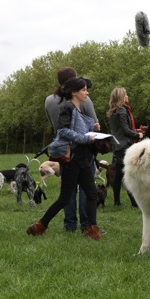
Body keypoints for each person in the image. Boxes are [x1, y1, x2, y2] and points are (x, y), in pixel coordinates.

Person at [27, 77, 102, 240]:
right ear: (74, 92)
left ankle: (91, 228)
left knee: (92, 194)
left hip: (83, 159)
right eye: (83, 90)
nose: (86, 93)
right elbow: (63, 131)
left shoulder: (78, 108)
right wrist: (86, 139)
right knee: (65, 198)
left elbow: (77, 129)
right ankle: (40, 225)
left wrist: (92, 128)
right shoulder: (67, 107)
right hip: (72, 160)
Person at [45, 67, 99, 233]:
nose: (85, 92)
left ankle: (69, 224)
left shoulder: (49, 100)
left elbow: (54, 126)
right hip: (81, 149)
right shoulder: (81, 99)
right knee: (86, 189)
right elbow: (91, 125)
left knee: (67, 190)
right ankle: (86, 224)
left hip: (63, 150)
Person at [107, 87, 144, 207]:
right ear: (122, 97)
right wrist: (137, 134)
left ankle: (117, 202)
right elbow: (125, 130)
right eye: (126, 95)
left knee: (119, 175)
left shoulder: (113, 111)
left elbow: (119, 129)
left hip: (117, 145)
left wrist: (134, 131)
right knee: (128, 174)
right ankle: (134, 203)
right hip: (124, 146)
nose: (127, 96)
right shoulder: (122, 110)